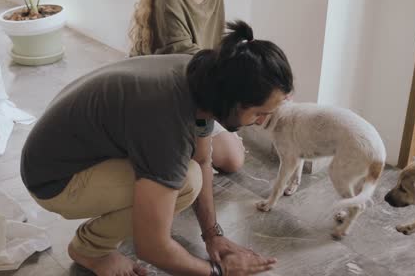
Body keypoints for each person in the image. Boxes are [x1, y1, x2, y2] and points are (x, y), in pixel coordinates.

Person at [21, 21, 293, 275]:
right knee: (185, 182)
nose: (261, 122)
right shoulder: (166, 118)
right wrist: (219, 271)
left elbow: (202, 159)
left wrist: (213, 235)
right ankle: (91, 251)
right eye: (259, 112)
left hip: (62, 153)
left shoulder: (204, 77)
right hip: (53, 181)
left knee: (191, 171)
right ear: (234, 99)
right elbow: (152, 247)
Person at [129, 0, 245, 174]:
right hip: (170, 92)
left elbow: (214, 47)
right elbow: (184, 56)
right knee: (187, 168)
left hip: (198, 84)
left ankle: (188, 146)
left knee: (233, 160)